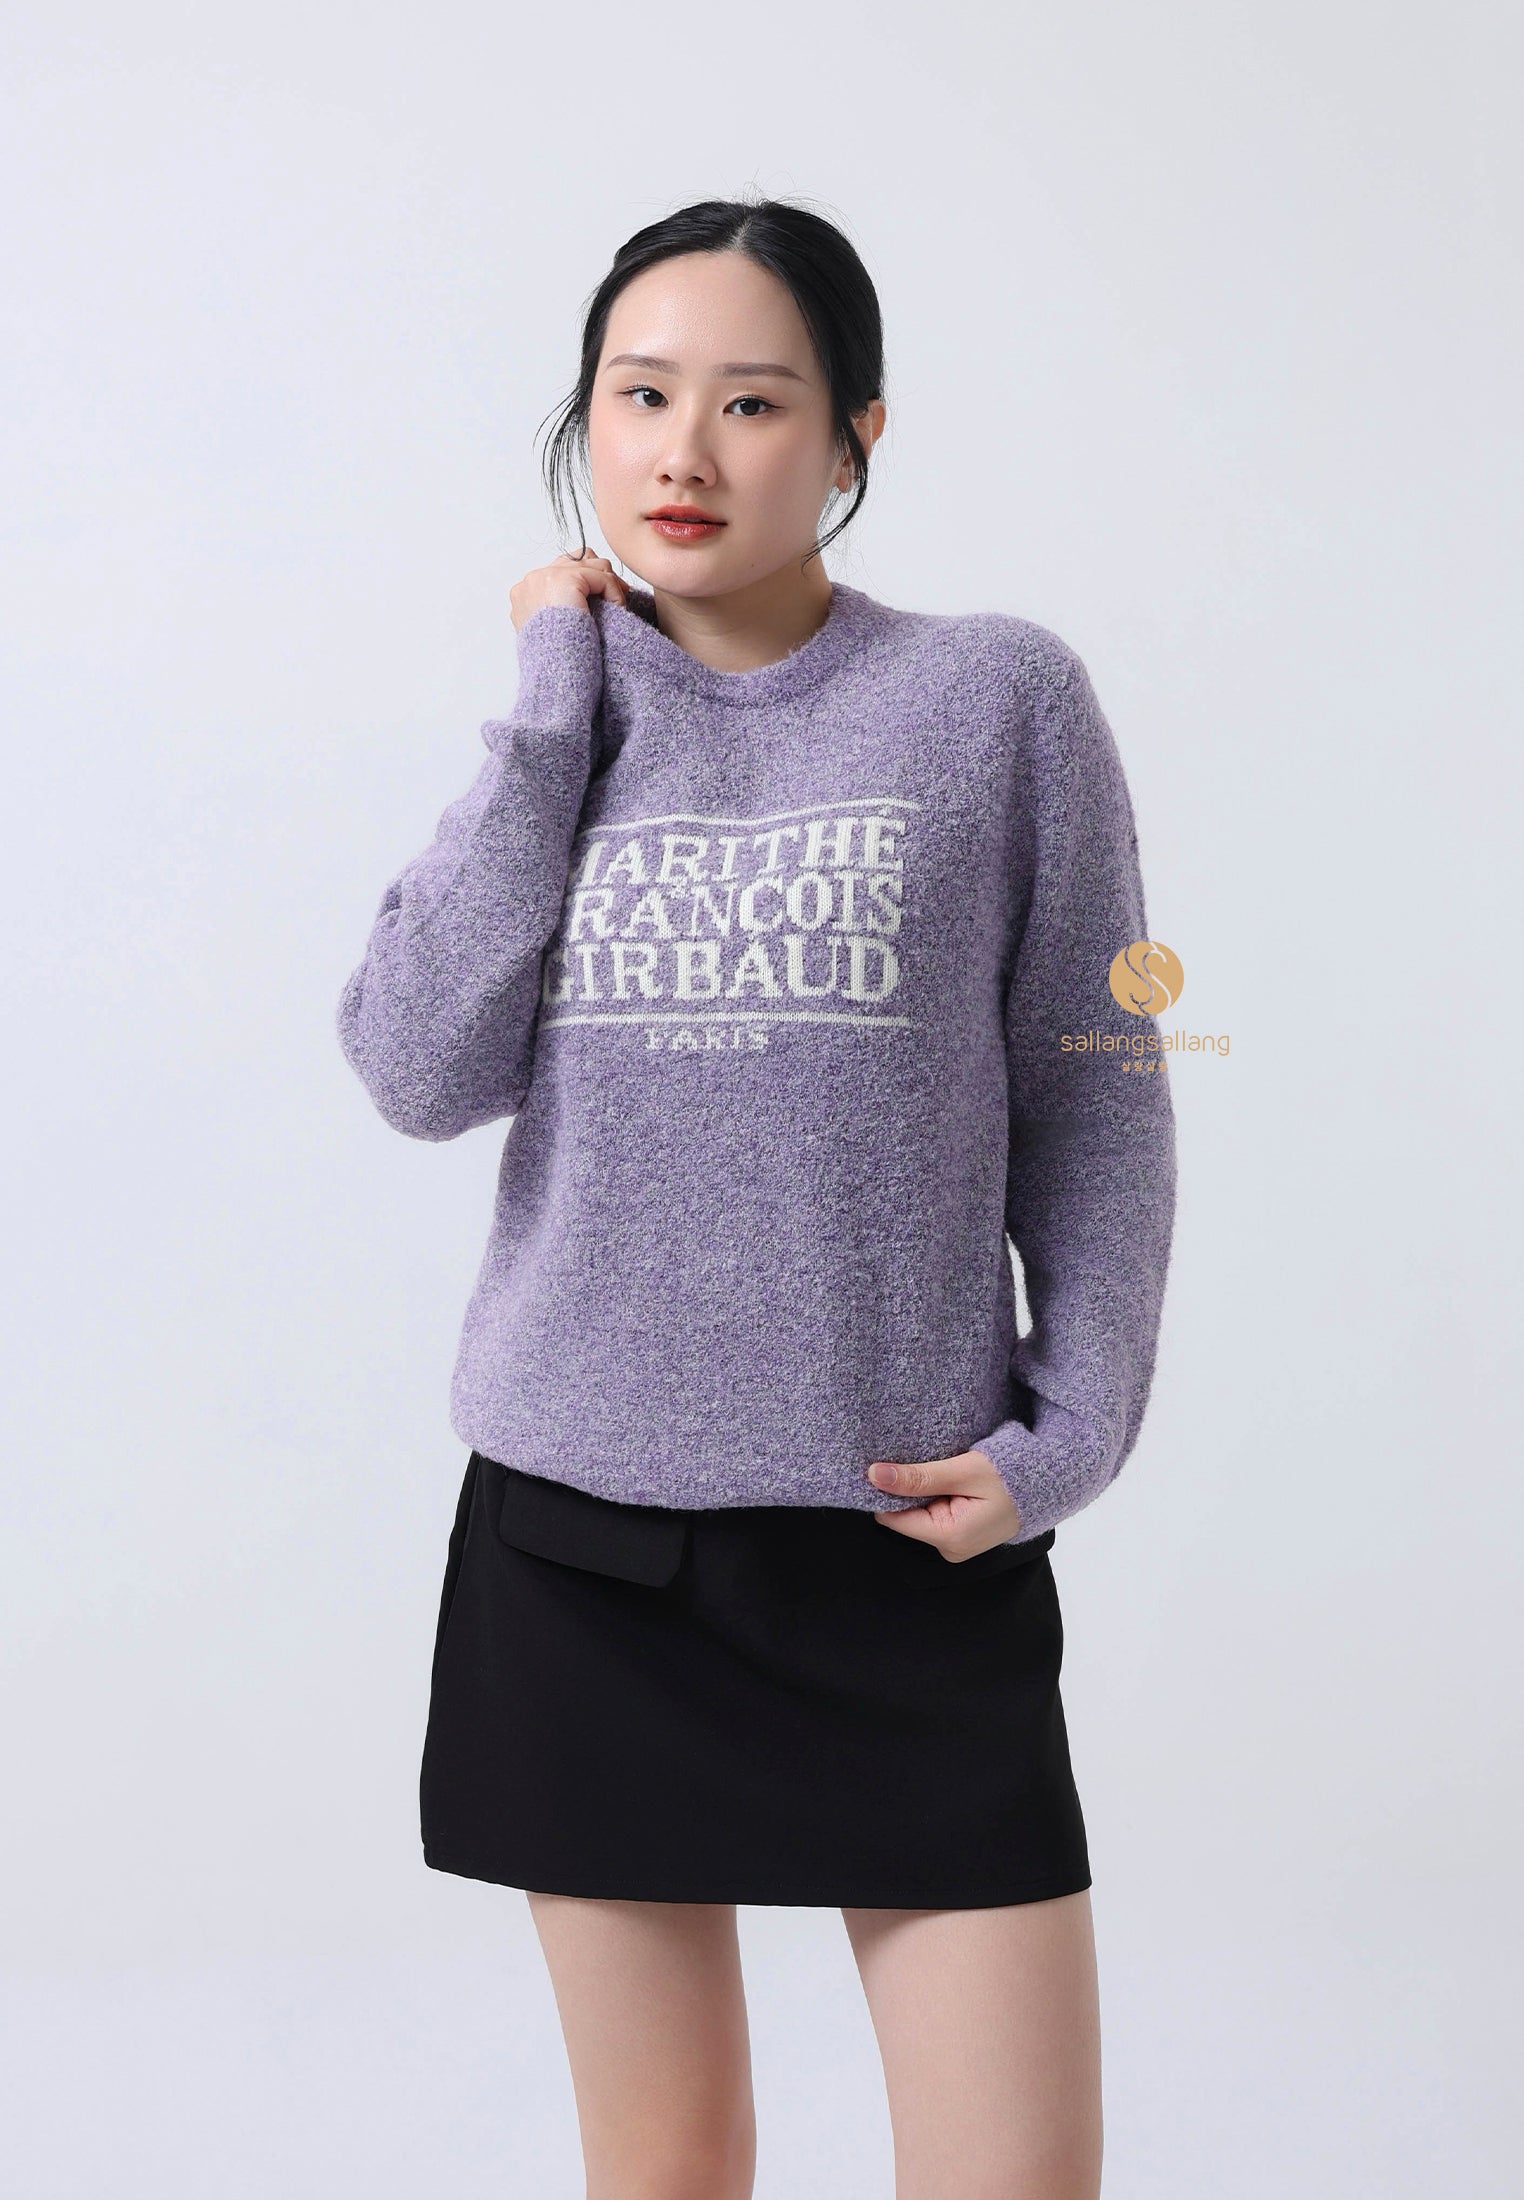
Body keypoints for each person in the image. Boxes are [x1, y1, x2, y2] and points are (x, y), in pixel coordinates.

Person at [335, 194, 1177, 2200]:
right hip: (587, 1554)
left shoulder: (996, 699)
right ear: (587, 422)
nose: (685, 451)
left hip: (908, 1544)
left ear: (855, 434)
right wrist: (553, 701)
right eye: (640, 396)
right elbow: (416, 1067)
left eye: (752, 400)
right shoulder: (563, 718)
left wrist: (1072, 1432)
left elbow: (1098, 1086)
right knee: (671, 2168)